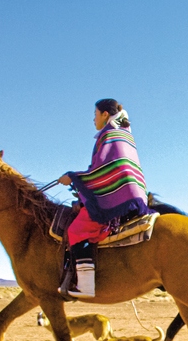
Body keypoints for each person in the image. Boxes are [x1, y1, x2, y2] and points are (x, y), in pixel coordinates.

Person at [57, 98, 149, 298]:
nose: (93, 119)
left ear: (105, 115)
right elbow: (108, 171)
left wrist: (72, 177)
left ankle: (86, 286)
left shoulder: (108, 135)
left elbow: (101, 172)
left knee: (77, 229)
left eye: (95, 114)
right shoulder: (122, 134)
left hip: (118, 200)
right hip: (133, 195)